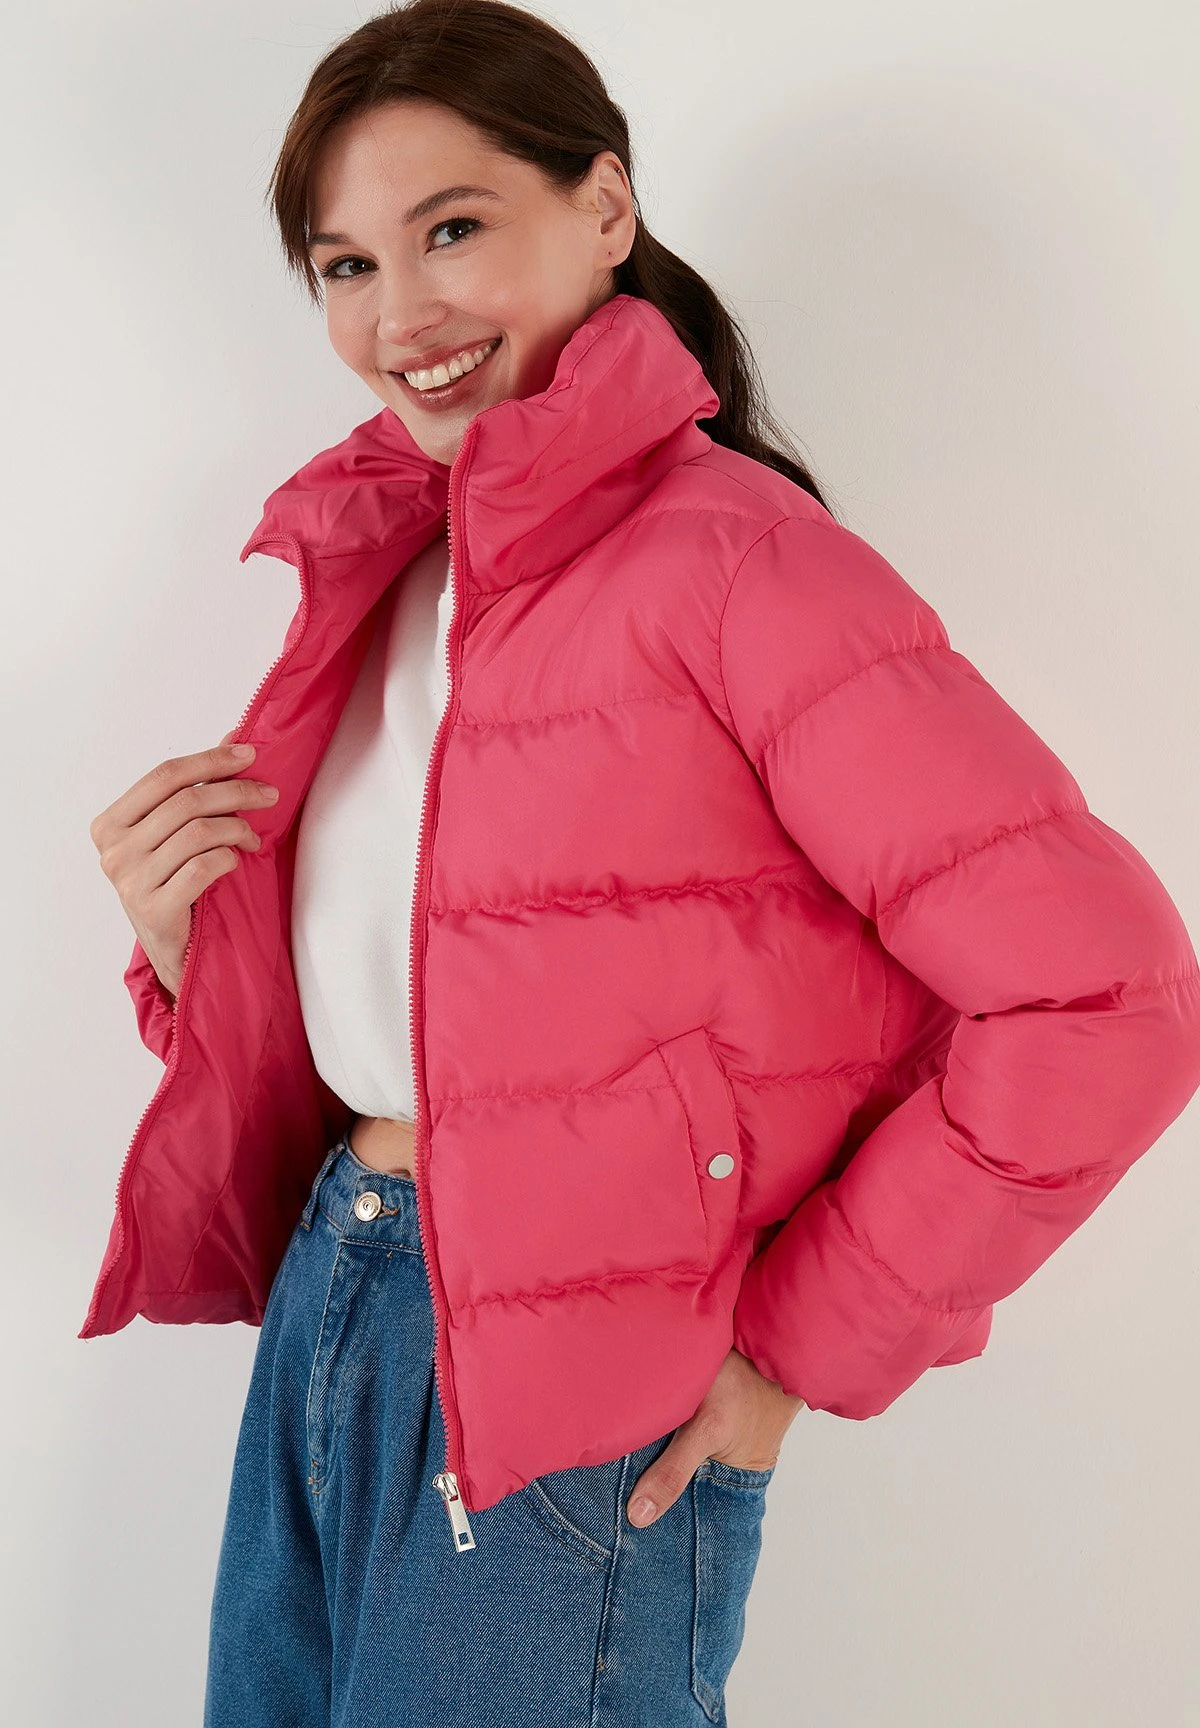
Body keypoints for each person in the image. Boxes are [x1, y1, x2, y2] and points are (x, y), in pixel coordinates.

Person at [82, 2, 1200, 1724]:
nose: (399, 315)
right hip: (337, 1298)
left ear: (604, 206)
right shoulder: (383, 564)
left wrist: (789, 1354)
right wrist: (186, 941)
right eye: (345, 265)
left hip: (581, 1400)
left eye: (453, 228)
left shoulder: (744, 566)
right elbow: (433, 988)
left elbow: (1105, 997)